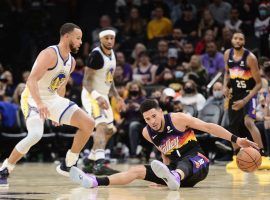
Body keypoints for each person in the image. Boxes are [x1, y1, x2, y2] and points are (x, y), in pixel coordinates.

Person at [69, 99, 258, 190]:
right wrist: (164, 179)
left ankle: (174, 176)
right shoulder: (146, 132)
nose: (151, 121)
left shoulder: (178, 119)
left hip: (198, 164)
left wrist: (236, 139)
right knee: (136, 171)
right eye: (147, 119)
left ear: (161, 112)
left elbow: (208, 127)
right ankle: (94, 180)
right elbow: (164, 154)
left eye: (154, 116)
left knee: (186, 161)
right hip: (175, 174)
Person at [0, 23, 95, 186]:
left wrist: (58, 113)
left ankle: (69, 163)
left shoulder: (71, 62)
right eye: (78, 38)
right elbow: (31, 80)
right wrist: (39, 103)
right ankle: (5, 168)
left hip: (51, 98)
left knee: (88, 123)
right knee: (35, 135)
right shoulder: (50, 54)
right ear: (66, 36)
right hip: (31, 98)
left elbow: (61, 86)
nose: (80, 42)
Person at [81, 28, 125, 175]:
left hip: (104, 95)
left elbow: (109, 78)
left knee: (110, 130)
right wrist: (97, 97)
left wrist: (117, 96)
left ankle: (90, 161)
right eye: (106, 38)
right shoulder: (96, 55)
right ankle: (100, 163)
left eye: (112, 38)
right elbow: (86, 83)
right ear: (101, 39)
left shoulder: (112, 54)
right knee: (101, 125)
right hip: (91, 95)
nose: (109, 41)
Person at [223, 31, 270, 169]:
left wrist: (245, 100)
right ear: (232, 40)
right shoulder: (227, 54)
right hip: (235, 93)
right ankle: (236, 153)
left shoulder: (250, 58)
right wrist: (226, 86)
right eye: (235, 38)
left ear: (244, 42)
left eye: (241, 39)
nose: (238, 41)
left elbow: (259, 83)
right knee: (232, 125)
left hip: (249, 94)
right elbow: (227, 73)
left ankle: (261, 153)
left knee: (248, 122)